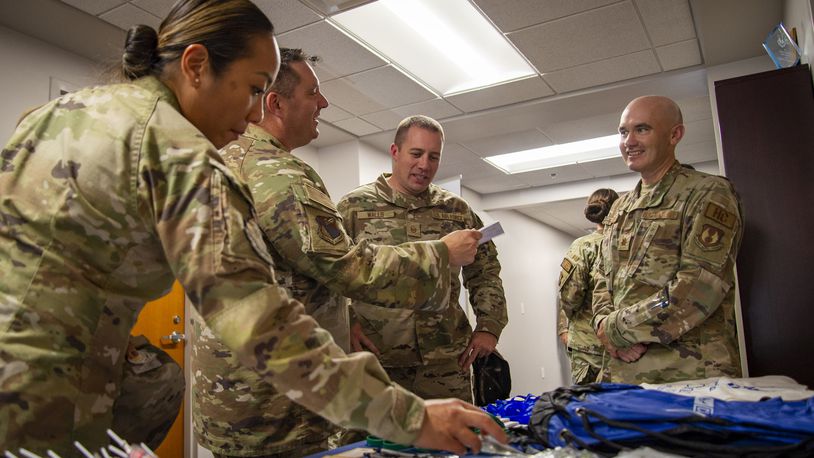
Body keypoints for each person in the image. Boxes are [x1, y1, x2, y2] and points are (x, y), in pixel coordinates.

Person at [0, 1, 505, 454]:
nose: (255, 110)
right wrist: (409, 416)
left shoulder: (56, 114)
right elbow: (259, 323)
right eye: (253, 88)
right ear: (197, 67)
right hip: (45, 406)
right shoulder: (182, 154)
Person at [192, 48, 482, 457]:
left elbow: (289, 273)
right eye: (313, 93)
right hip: (275, 401)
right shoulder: (278, 176)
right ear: (275, 103)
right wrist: (440, 254)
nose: (324, 104)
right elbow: (349, 268)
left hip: (235, 387)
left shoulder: (223, 161)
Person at [338, 115, 509, 403]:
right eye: (416, 154)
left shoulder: (456, 211)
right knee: (371, 444)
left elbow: (485, 272)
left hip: (444, 360)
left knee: (452, 441)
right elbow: (329, 271)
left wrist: (489, 327)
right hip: (376, 359)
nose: (424, 165)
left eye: (434, 157)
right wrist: (347, 321)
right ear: (395, 152)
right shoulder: (353, 208)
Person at [591, 95, 744, 384]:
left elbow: (698, 287)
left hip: (688, 375)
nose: (629, 141)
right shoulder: (619, 209)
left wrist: (616, 329)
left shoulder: (708, 193)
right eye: (623, 132)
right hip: (623, 376)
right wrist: (603, 325)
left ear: (675, 134)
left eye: (642, 129)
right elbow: (601, 280)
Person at [556, 188, 619, 385]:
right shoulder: (630, 242)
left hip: (590, 345)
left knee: (590, 406)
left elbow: (570, 296)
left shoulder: (584, 246)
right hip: (626, 340)